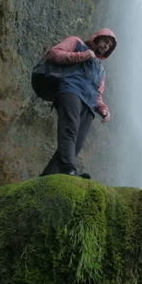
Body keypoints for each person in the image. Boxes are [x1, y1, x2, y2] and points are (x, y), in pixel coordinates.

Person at [40, 28, 117, 178]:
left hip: (88, 105)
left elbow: (98, 95)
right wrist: (83, 55)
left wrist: (103, 110)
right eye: (106, 41)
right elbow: (53, 54)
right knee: (69, 130)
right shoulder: (76, 42)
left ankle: (49, 177)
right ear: (97, 37)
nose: (107, 46)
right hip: (71, 91)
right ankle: (69, 170)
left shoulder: (101, 71)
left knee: (77, 143)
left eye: (110, 46)